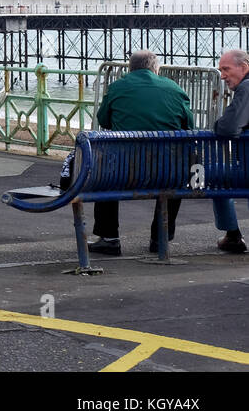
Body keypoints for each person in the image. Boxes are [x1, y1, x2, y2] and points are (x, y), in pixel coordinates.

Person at [86, 50, 194, 256]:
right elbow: (188, 125)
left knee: (105, 177)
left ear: (130, 68)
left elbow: (104, 120)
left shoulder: (116, 87)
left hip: (125, 172)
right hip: (166, 171)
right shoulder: (174, 88)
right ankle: (159, 238)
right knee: (176, 180)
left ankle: (109, 239)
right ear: (156, 68)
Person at [211, 49, 249, 253]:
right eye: (220, 70)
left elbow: (228, 127)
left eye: (226, 69)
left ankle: (232, 235)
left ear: (244, 67)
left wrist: (216, 125)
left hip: (247, 170)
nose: (222, 75)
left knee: (216, 176)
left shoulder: (246, 87)